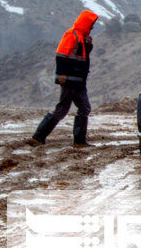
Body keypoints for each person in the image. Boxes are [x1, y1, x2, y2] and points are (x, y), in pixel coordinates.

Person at [31, 10, 99, 147]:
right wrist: (61, 75)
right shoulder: (72, 35)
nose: (92, 28)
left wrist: (88, 46)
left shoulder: (80, 37)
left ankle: (79, 141)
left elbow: (81, 58)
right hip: (69, 81)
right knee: (62, 110)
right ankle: (38, 137)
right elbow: (61, 56)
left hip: (79, 81)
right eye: (91, 25)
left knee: (84, 108)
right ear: (85, 23)